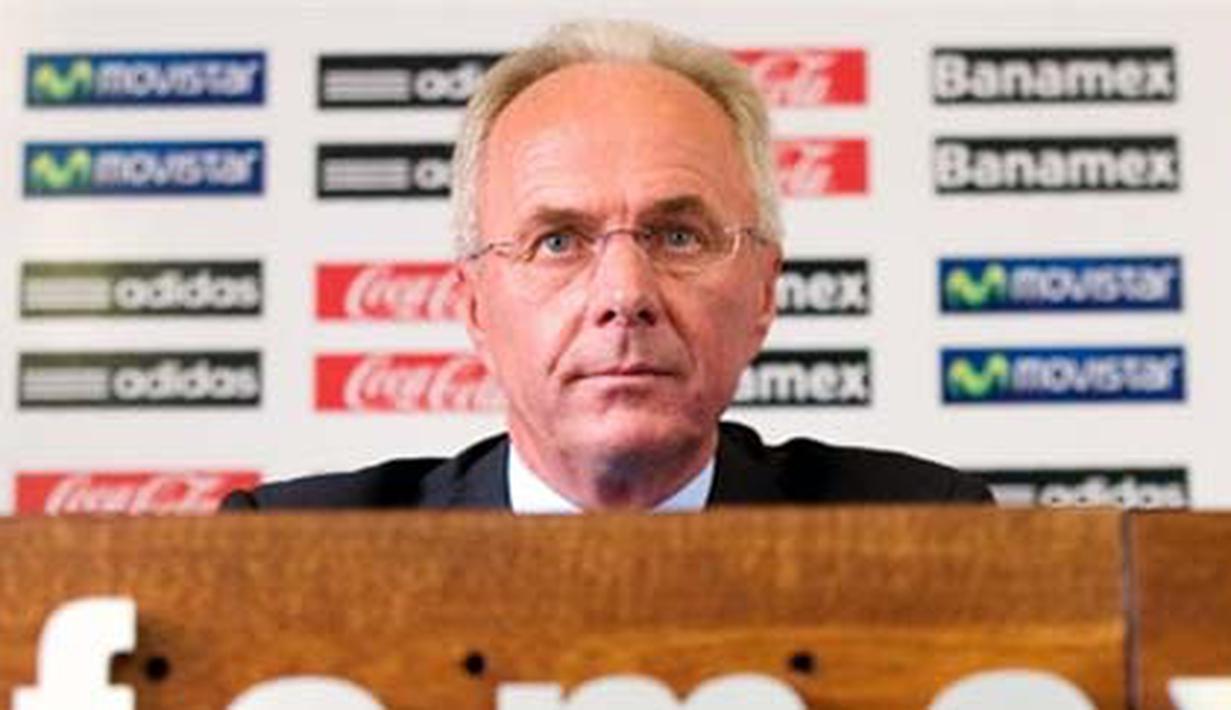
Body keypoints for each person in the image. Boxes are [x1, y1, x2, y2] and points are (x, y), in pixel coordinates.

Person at [222, 19, 991, 512]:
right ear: (473, 307)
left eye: (678, 237)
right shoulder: (292, 552)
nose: (625, 295)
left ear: (763, 293)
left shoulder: (922, 531)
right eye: (557, 241)